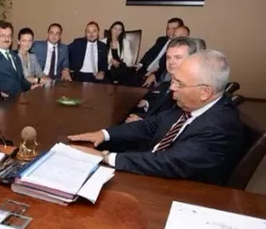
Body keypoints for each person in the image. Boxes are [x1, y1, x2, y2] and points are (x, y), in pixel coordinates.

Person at [68, 50, 244, 185]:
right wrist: (104, 134)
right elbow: (149, 126)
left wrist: (105, 157)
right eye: (173, 80)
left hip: (178, 189)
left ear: (205, 92)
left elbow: (169, 162)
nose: (172, 88)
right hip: (154, 167)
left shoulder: (220, 126)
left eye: (179, 83)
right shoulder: (189, 105)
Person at [127, 37, 205, 123]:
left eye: (177, 57)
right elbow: (163, 109)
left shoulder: (189, 89)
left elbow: (170, 122)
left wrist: (142, 121)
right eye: (168, 58)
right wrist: (146, 104)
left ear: (192, 60)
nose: (171, 62)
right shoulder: (169, 84)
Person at [0, 21, 34, 98]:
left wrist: (31, 87)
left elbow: (21, 79)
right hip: (3, 101)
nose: (6, 38)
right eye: (3, 35)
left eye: (9, 36)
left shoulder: (15, 56)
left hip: (20, 98)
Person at [137, 17, 184, 87]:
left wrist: (155, 75)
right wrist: (140, 64)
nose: (170, 31)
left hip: (158, 76)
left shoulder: (180, 46)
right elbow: (149, 53)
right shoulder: (161, 40)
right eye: (168, 28)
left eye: (173, 28)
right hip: (145, 70)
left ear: (180, 30)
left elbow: (168, 67)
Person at [100, 21, 134, 85]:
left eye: (119, 29)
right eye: (115, 28)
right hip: (109, 69)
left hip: (122, 69)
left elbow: (129, 60)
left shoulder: (125, 42)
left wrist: (121, 62)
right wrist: (110, 60)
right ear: (111, 29)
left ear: (121, 32)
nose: (117, 31)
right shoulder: (103, 42)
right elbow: (101, 58)